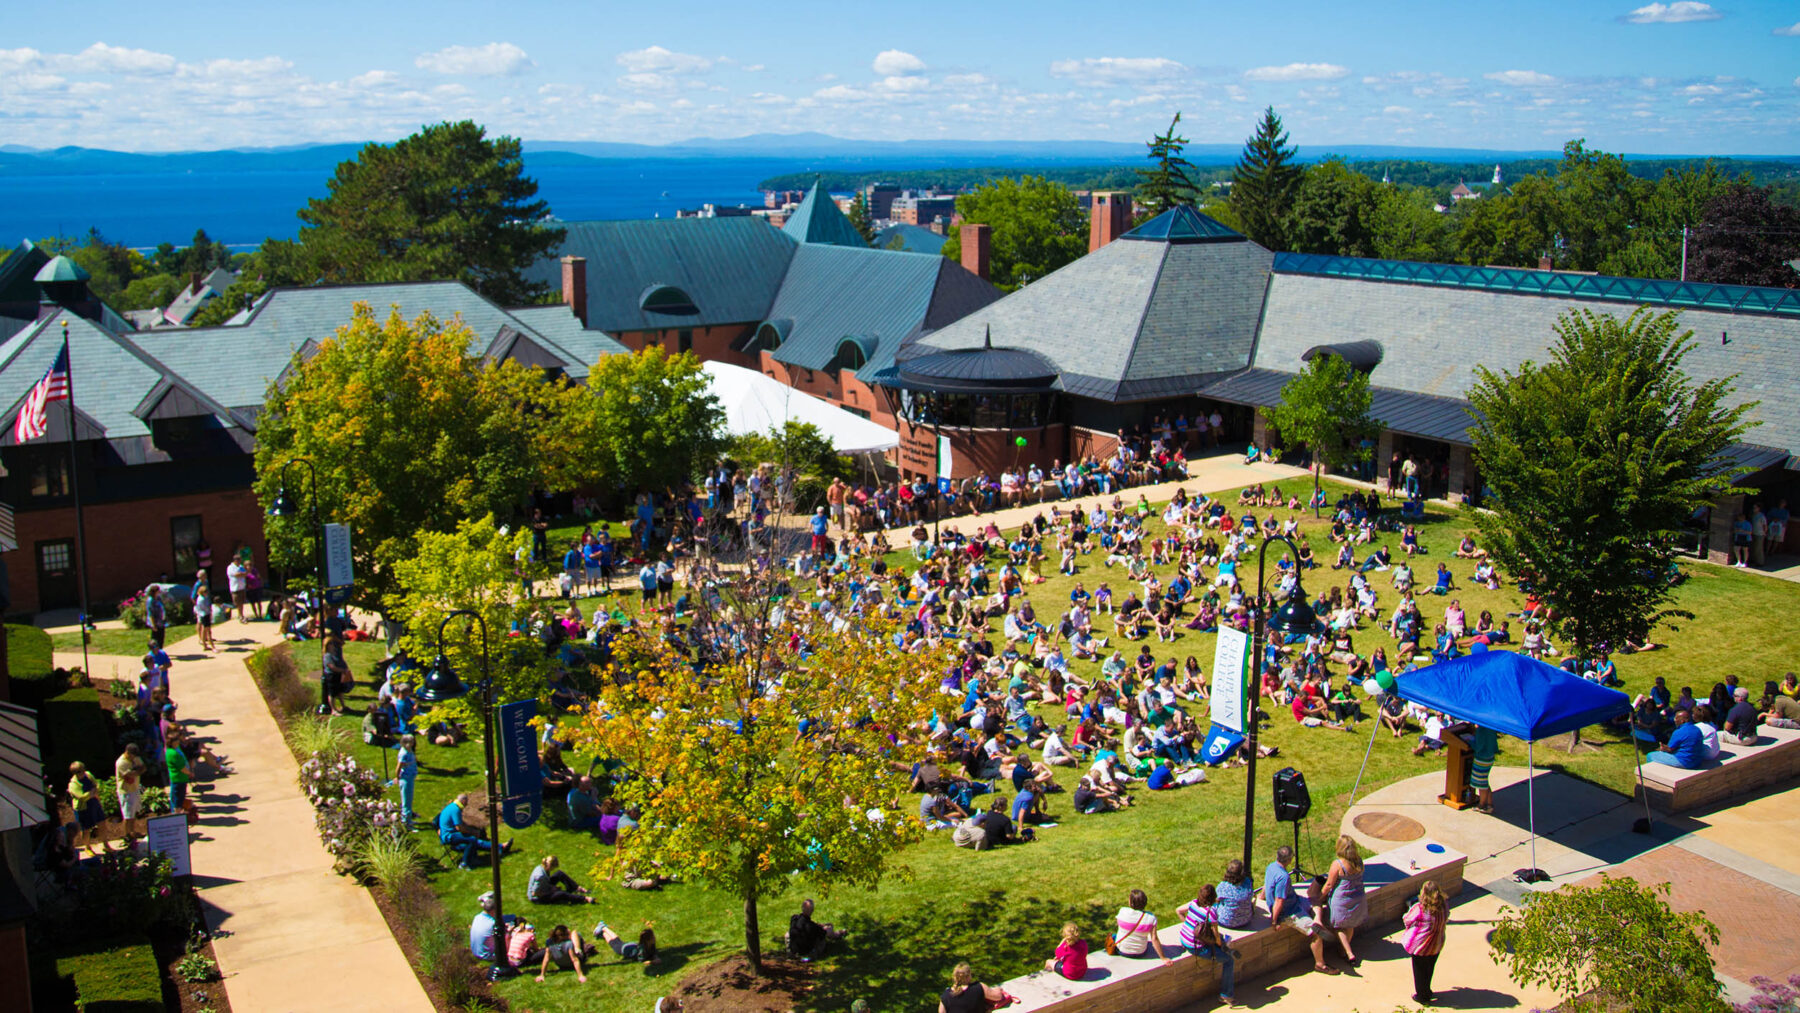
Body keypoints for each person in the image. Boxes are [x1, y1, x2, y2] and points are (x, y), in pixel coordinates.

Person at [1266, 845, 1335, 974]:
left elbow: (1267, 886)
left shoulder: (1271, 867)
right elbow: (1279, 901)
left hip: (1295, 900)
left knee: (1316, 899)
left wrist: (1261, 897)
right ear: (1290, 860)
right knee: (1315, 935)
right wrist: (1275, 921)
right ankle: (1320, 964)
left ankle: (1318, 920)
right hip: (1289, 913)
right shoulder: (1283, 877)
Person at [1177, 884, 1239, 1007]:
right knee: (1228, 961)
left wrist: (1189, 926)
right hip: (1197, 947)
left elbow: (1178, 910)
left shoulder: (1193, 903)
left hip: (1184, 939)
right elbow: (1216, 935)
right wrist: (1221, 944)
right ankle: (1226, 995)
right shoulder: (1211, 912)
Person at [1321, 834, 1368, 965]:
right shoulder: (1359, 861)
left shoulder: (1338, 864)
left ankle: (1349, 953)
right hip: (1357, 898)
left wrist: (1320, 897)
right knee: (1349, 925)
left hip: (1342, 901)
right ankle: (1342, 951)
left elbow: (1329, 885)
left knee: (1339, 927)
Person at [1403, 880, 1449, 1005]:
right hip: (1437, 944)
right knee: (1429, 969)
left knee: (1419, 971)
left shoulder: (1420, 908)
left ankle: (1422, 996)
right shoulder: (1444, 905)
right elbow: (1447, 916)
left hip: (1421, 946)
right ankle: (1427, 991)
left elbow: (1406, 919)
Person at [438, 792, 510, 869]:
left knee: (474, 840)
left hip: (448, 834)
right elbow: (459, 828)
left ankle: (498, 847)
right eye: (466, 802)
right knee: (472, 839)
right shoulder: (455, 809)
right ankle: (465, 863)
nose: (466, 804)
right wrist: (473, 832)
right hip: (449, 836)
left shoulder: (451, 806)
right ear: (463, 801)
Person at [1111, 888, 1172, 963]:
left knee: (1113, 936)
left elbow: (1119, 927)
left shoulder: (1123, 911)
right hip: (1140, 953)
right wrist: (1163, 958)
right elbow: (1154, 938)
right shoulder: (1151, 918)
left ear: (1131, 903)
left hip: (1122, 951)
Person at [938, 961, 1006, 1013]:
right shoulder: (979, 987)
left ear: (954, 977)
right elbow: (998, 997)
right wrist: (998, 989)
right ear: (968, 976)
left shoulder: (945, 996)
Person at [529, 855, 593, 905]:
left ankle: (576, 888)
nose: (553, 869)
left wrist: (551, 888)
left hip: (543, 887)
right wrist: (551, 891)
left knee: (559, 874)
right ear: (550, 866)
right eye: (553, 867)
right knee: (561, 894)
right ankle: (585, 899)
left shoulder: (542, 866)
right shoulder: (540, 876)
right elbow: (534, 893)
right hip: (538, 898)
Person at [591, 919, 657, 964]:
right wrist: (652, 961)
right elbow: (641, 959)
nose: (655, 937)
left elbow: (652, 953)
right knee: (613, 942)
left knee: (617, 940)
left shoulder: (649, 944)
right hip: (622, 949)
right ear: (648, 940)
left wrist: (654, 957)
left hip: (629, 946)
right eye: (653, 937)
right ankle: (603, 929)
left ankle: (602, 931)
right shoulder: (642, 949)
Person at [114, 742, 145, 838]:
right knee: (127, 815)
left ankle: (133, 832)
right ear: (127, 752)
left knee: (133, 813)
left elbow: (143, 768)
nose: (134, 757)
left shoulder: (135, 758)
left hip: (134, 789)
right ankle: (127, 835)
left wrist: (137, 771)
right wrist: (137, 771)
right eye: (132, 755)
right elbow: (129, 775)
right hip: (126, 792)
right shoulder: (121, 762)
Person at [1214, 859, 1256, 929]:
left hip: (1226, 921)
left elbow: (1215, 900)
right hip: (1245, 920)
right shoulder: (1248, 883)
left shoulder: (1223, 886)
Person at [387, 734, 418, 826]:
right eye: (409, 742)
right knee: (406, 801)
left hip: (410, 776)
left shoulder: (409, 750)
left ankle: (409, 820)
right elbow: (398, 767)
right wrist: (397, 777)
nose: (412, 744)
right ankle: (406, 823)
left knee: (409, 799)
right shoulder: (404, 754)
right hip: (406, 778)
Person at [1470, 724, 1499, 813]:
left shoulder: (1481, 730)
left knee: (1481, 783)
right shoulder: (1491, 727)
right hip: (1490, 757)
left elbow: (1479, 746)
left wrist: (1470, 742)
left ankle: (1482, 805)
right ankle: (1489, 805)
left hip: (1482, 758)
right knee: (1484, 780)